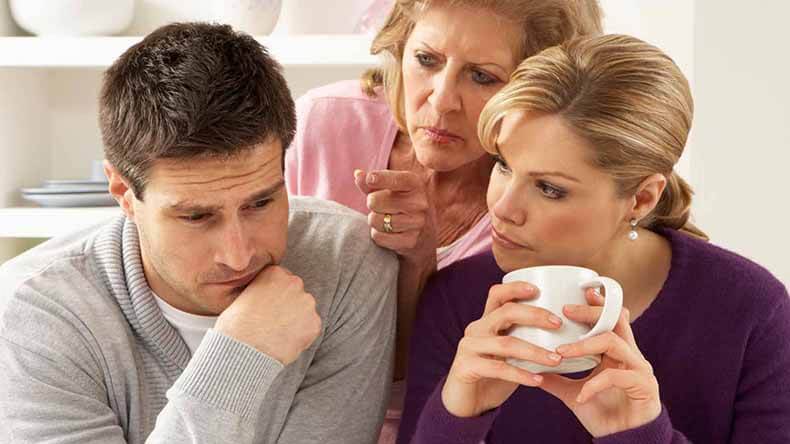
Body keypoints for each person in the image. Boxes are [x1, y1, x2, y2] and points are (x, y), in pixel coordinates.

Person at [0, 23, 398, 444]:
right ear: (122, 192)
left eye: (260, 203)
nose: (238, 255)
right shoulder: (34, 316)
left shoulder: (345, 261)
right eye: (195, 217)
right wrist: (240, 355)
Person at [399, 34, 790, 443]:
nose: (502, 206)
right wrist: (454, 421)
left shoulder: (750, 311)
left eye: (550, 188)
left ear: (642, 199)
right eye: (503, 165)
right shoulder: (456, 300)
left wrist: (639, 435)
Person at [285, 1, 603, 440]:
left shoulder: (533, 211)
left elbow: (440, 394)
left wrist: (418, 265)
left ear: (543, 89)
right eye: (426, 59)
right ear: (401, 47)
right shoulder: (325, 123)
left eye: (482, 76)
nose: (441, 99)